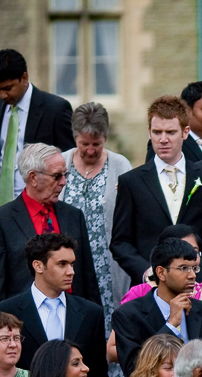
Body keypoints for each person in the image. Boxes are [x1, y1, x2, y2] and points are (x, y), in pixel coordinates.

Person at [111, 96, 202, 284]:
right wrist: (145, 272)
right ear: (149, 132)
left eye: (171, 132)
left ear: (185, 132)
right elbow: (120, 242)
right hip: (150, 286)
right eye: (157, 132)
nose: (163, 139)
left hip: (199, 281)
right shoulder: (131, 181)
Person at [0, 233, 110, 377]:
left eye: (72, 264)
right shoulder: (6, 312)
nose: (71, 271)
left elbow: (98, 376)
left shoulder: (91, 313)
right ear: (38, 265)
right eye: (62, 264)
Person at [0, 142, 100, 309]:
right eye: (57, 176)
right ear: (33, 177)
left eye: (65, 175)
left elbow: (88, 279)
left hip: (72, 319)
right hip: (23, 321)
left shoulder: (73, 215)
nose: (64, 182)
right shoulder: (0, 221)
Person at [112, 238, 202, 377]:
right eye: (183, 268)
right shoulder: (128, 315)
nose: (192, 275)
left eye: (194, 268)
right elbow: (134, 370)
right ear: (161, 273)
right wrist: (171, 325)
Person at [61, 102, 134, 313]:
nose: (90, 150)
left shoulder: (121, 166)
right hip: (70, 261)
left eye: (97, 144)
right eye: (84, 144)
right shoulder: (61, 163)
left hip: (107, 263)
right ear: (75, 137)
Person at [0, 49, 75, 211]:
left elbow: (70, 165)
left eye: (7, 88)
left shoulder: (56, 109)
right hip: (0, 211)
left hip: (42, 210)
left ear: (24, 78)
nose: (2, 95)